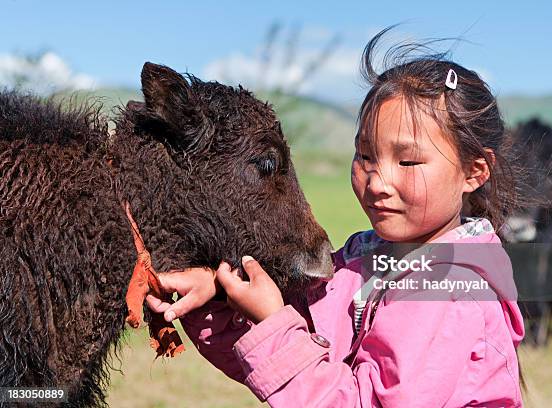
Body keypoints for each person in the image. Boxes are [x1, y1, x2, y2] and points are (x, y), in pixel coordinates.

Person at [145, 28, 525, 407]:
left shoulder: (451, 290)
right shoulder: (364, 261)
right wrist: (220, 293)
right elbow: (286, 358)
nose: (378, 181)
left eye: (407, 160)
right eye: (365, 155)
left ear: (474, 172)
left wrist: (274, 322)